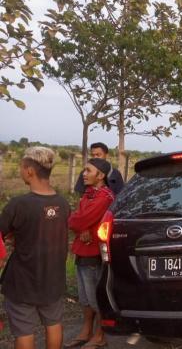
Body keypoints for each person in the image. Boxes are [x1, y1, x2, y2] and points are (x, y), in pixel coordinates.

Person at [0, 147, 69, 349]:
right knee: (54, 324)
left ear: (30, 171)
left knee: (24, 332)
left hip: (23, 282)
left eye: (22, 168)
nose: (21, 171)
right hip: (53, 279)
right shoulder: (63, 203)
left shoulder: (18, 204)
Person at [66, 158, 115, 349]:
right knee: (85, 297)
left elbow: (78, 220)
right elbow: (75, 219)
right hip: (81, 249)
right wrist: (81, 228)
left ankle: (100, 335)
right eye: (84, 170)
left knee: (96, 297)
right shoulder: (88, 194)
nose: (83, 174)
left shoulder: (105, 197)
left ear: (101, 175)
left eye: (88, 170)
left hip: (94, 253)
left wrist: (80, 225)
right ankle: (86, 331)